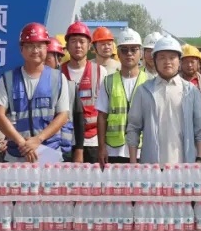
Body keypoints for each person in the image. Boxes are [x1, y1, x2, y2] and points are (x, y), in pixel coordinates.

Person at [0, 23, 73, 164]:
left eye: (40, 46)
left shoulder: (58, 78)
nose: (35, 50)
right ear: (21, 49)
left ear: (47, 48)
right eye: (29, 46)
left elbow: (63, 115)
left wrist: (38, 139)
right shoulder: (8, 79)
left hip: (49, 153)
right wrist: (22, 143)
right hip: (17, 154)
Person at [125, 36, 201, 164]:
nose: (167, 62)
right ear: (155, 61)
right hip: (152, 166)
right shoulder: (144, 91)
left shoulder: (191, 91)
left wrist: (200, 157)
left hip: (184, 165)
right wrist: (133, 162)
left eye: (172, 57)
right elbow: (133, 127)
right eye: (162, 57)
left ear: (179, 61)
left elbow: (199, 127)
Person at [95, 28, 149, 165]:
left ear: (140, 53)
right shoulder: (108, 81)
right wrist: (101, 148)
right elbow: (102, 117)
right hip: (113, 150)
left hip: (142, 148)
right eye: (124, 50)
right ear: (118, 53)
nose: (129, 53)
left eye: (133, 49)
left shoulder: (149, 82)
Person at [62, 21, 106, 163]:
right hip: (65, 141)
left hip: (92, 141)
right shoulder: (58, 73)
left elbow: (105, 111)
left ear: (89, 45)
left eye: (82, 41)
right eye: (73, 41)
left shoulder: (100, 72)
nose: (78, 45)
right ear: (67, 46)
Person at [45, 36, 85, 161]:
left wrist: (79, 150)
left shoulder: (70, 86)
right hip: (38, 148)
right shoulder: (29, 85)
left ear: (58, 59)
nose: (42, 62)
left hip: (64, 150)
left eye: (47, 58)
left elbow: (79, 120)